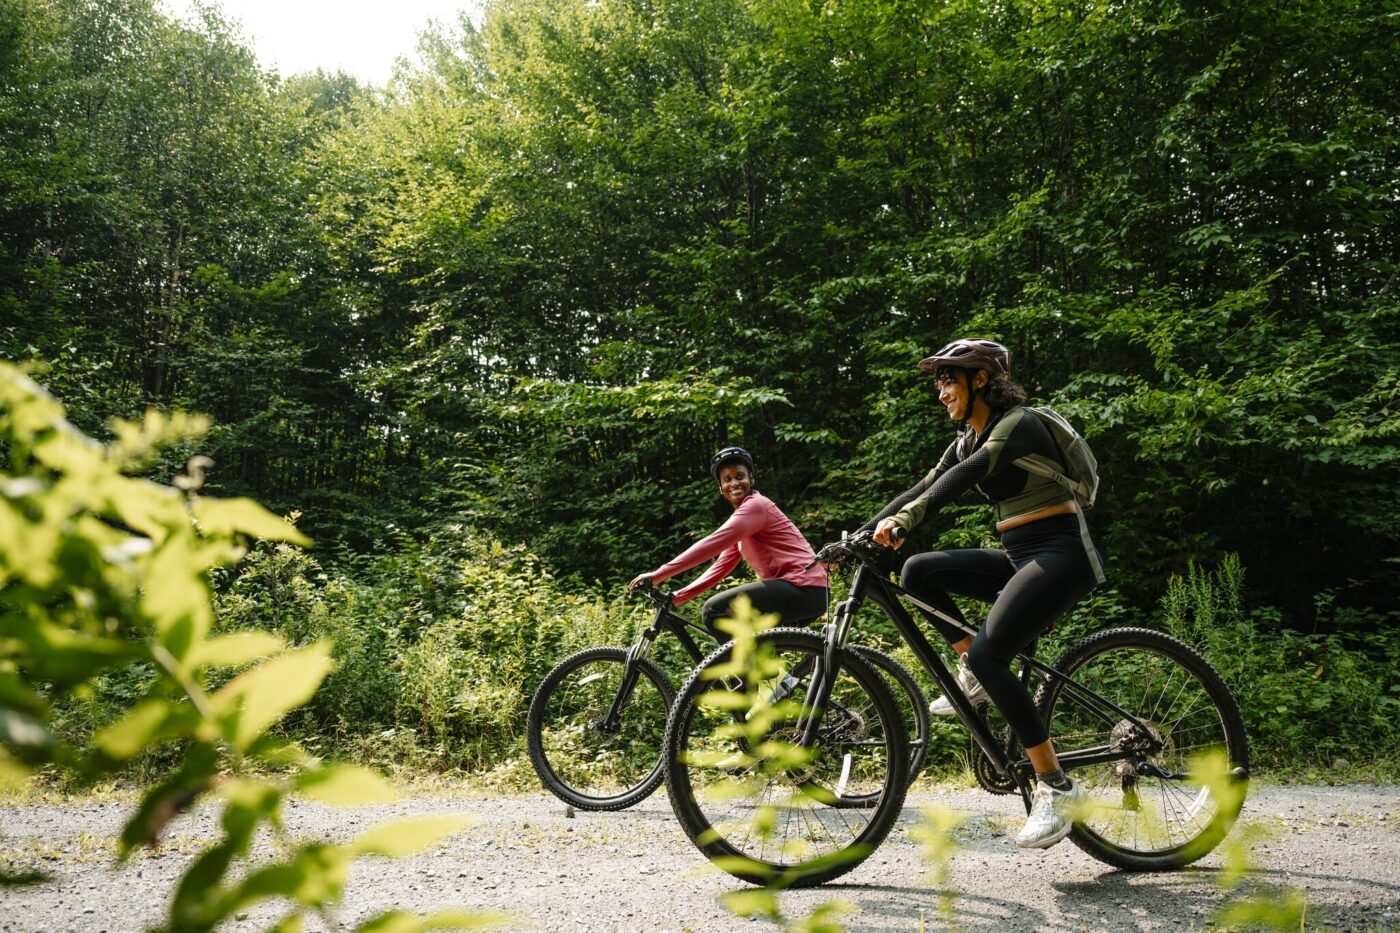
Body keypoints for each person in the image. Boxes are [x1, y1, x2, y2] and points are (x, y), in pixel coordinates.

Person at [862, 338, 1105, 850]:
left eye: (948, 379)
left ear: (979, 380)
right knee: (918, 572)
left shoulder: (1017, 424)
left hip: (1061, 556)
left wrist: (906, 519)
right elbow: (927, 483)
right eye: (938, 382)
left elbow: (958, 481)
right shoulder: (965, 439)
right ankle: (972, 668)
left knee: (995, 656)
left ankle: (1057, 786)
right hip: (1021, 557)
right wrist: (857, 534)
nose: (940, 392)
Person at [628, 446, 829, 637]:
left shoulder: (755, 507)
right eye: (727, 479)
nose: (734, 483)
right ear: (720, 487)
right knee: (753, 638)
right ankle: (782, 674)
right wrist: (679, 596)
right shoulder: (745, 522)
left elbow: (709, 545)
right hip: (806, 591)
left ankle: (764, 675)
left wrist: (658, 574)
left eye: (739, 476)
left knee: (715, 610)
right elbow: (721, 567)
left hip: (804, 588)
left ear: (751, 478)